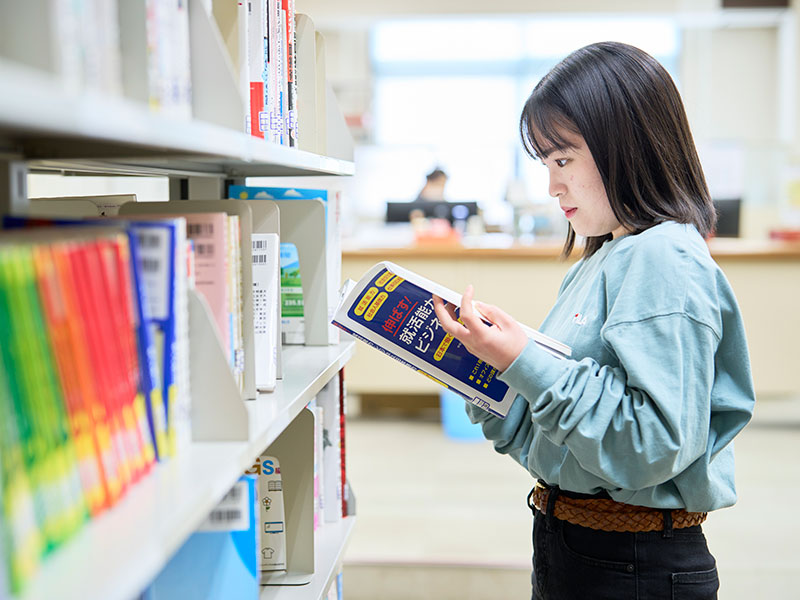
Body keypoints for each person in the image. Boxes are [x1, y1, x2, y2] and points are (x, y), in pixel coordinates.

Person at [432, 41, 755, 600]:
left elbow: (652, 444)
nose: (552, 186)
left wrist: (525, 361)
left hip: (632, 562)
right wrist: (484, 370)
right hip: (573, 541)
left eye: (563, 161)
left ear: (624, 146)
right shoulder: (604, 256)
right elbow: (550, 439)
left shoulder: (663, 257)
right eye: (546, 164)